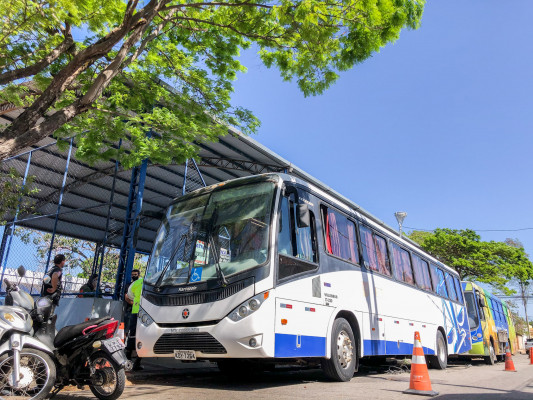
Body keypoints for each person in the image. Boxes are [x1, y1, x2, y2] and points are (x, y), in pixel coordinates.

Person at [125, 273, 143, 371]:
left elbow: (129, 295)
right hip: (147, 313)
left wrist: (134, 302)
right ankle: (137, 363)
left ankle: (128, 362)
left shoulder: (136, 283)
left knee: (132, 335)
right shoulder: (152, 283)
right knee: (144, 337)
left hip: (135, 312)